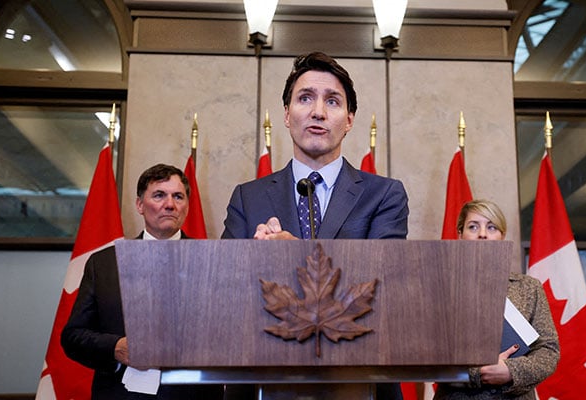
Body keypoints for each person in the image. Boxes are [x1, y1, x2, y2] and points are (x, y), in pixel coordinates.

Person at [221, 51, 409, 399]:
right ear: (287, 116)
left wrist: (293, 252)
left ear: (349, 120)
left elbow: (382, 288)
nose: (318, 111)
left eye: (332, 101)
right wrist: (253, 259)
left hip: (358, 378)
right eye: (305, 98)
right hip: (264, 378)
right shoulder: (248, 197)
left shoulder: (384, 194)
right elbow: (225, 291)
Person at [61, 163, 224, 400]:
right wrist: (115, 347)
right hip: (121, 393)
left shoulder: (214, 261)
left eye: (178, 196)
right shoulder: (104, 264)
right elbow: (73, 337)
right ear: (140, 205)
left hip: (193, 394)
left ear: (187, 206)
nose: (170, 204)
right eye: (159, 195)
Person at [436, 199, 560, 400]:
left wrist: (510, 370)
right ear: (460, 235)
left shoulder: (528, 287)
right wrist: (479, 373)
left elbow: (548, 350)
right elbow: (427, 354)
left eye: (491, 227)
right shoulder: (439, 287)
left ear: (502, 236)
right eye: (473, 226)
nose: (483, 234)